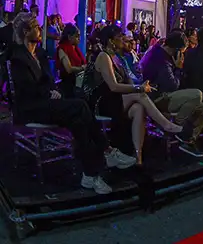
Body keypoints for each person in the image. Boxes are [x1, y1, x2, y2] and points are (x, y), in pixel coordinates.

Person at [10, 13, 135, 194]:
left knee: (78, 121)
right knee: (80, 106)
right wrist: (48, 92)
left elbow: (49, 80)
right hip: (31, 107)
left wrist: (53, 90)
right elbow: (27, 88)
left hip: (47, 102)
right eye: (36, 27)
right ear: (26, 31)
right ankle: (106, 150)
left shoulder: (40, 53)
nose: (40, 29)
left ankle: (90, 175)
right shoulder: (18, 57)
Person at [84, 25, 185, 165]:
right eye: (120, 37)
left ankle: (138, 156)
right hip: (101, 103)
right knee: (140, 95)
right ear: (111, 41)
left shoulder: (117, 57)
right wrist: (139, 88)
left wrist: (141, 85)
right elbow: (113, 86)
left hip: (115, 100)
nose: (123, 40)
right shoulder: (103, 56)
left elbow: (129, 81)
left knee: (139, 108)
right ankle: (166, 125)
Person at [141, 31, 203, 157]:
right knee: (197, 94)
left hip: (168, 95)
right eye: (182, 52)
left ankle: (188, 141)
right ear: (177, 50)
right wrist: (178, 68)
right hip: (159, 98)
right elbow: (172, 85)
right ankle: (179, 130)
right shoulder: (161, 59)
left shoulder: (163, 54)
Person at [55, 23, 87, 98]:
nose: (79, 38)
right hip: (68, 85)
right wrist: (82, 68)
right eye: (76, 36)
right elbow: (68, 69)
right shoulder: (62, 49)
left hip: (78, 83)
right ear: (69, 37)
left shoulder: (76, 49)